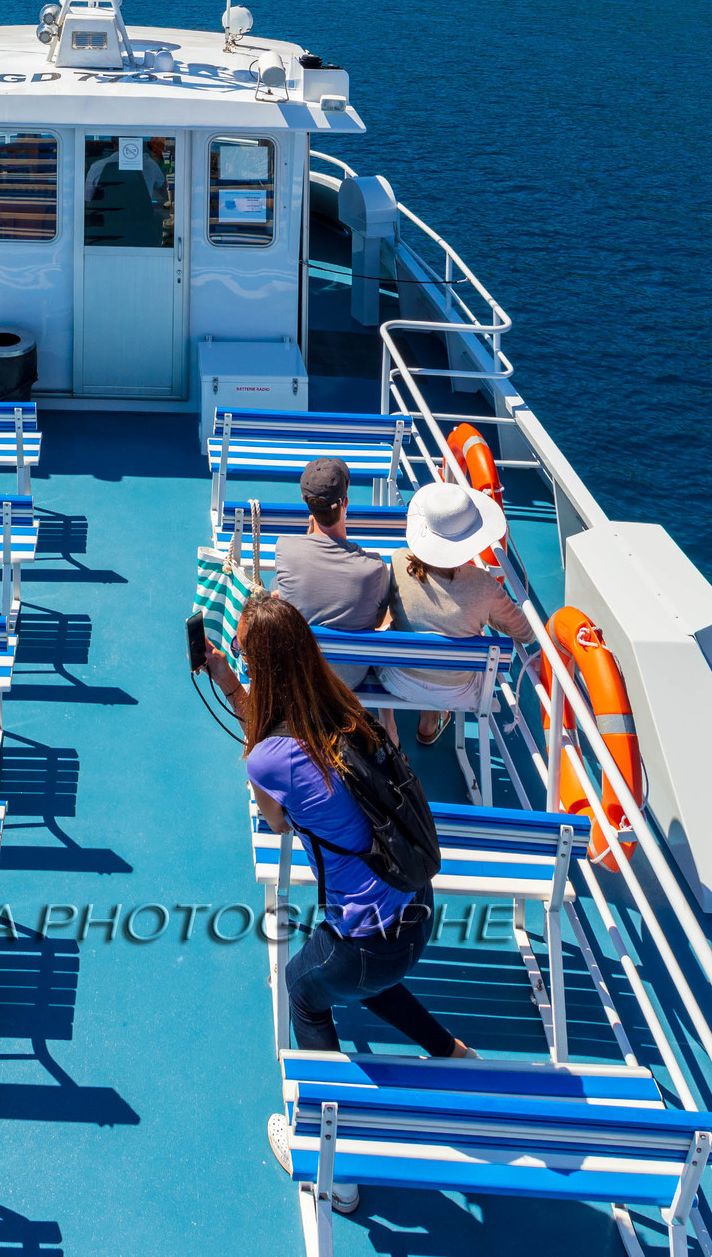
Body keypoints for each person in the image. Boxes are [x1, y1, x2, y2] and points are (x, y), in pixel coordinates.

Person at [206, 590, 471, 1213]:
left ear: (261, 669)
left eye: (243, 656)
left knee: (304, 986)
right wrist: (230, 681)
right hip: (415, 909)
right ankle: (450, 1054)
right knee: (356, 979)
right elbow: (284, 743)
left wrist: (229, 691)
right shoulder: (346, 710)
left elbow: (275, 817)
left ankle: (338, 1162)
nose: (238, 661)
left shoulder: (268, 759)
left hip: (369, 942)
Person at [376, 479, 534, 746]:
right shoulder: (483, 585)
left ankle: (394, 724)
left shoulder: (400, 560)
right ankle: (429, 721)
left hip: (398, 680)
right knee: (461, 638)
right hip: (456, 692)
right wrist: (486, 613)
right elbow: (525, 633)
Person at [272, 457, 392, 689]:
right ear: (345, 502)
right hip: (350, 679)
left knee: (277, 584)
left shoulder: (285, 550)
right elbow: (378, 618)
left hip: (301, 674)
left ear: (305, 501)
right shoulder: (374, 568)